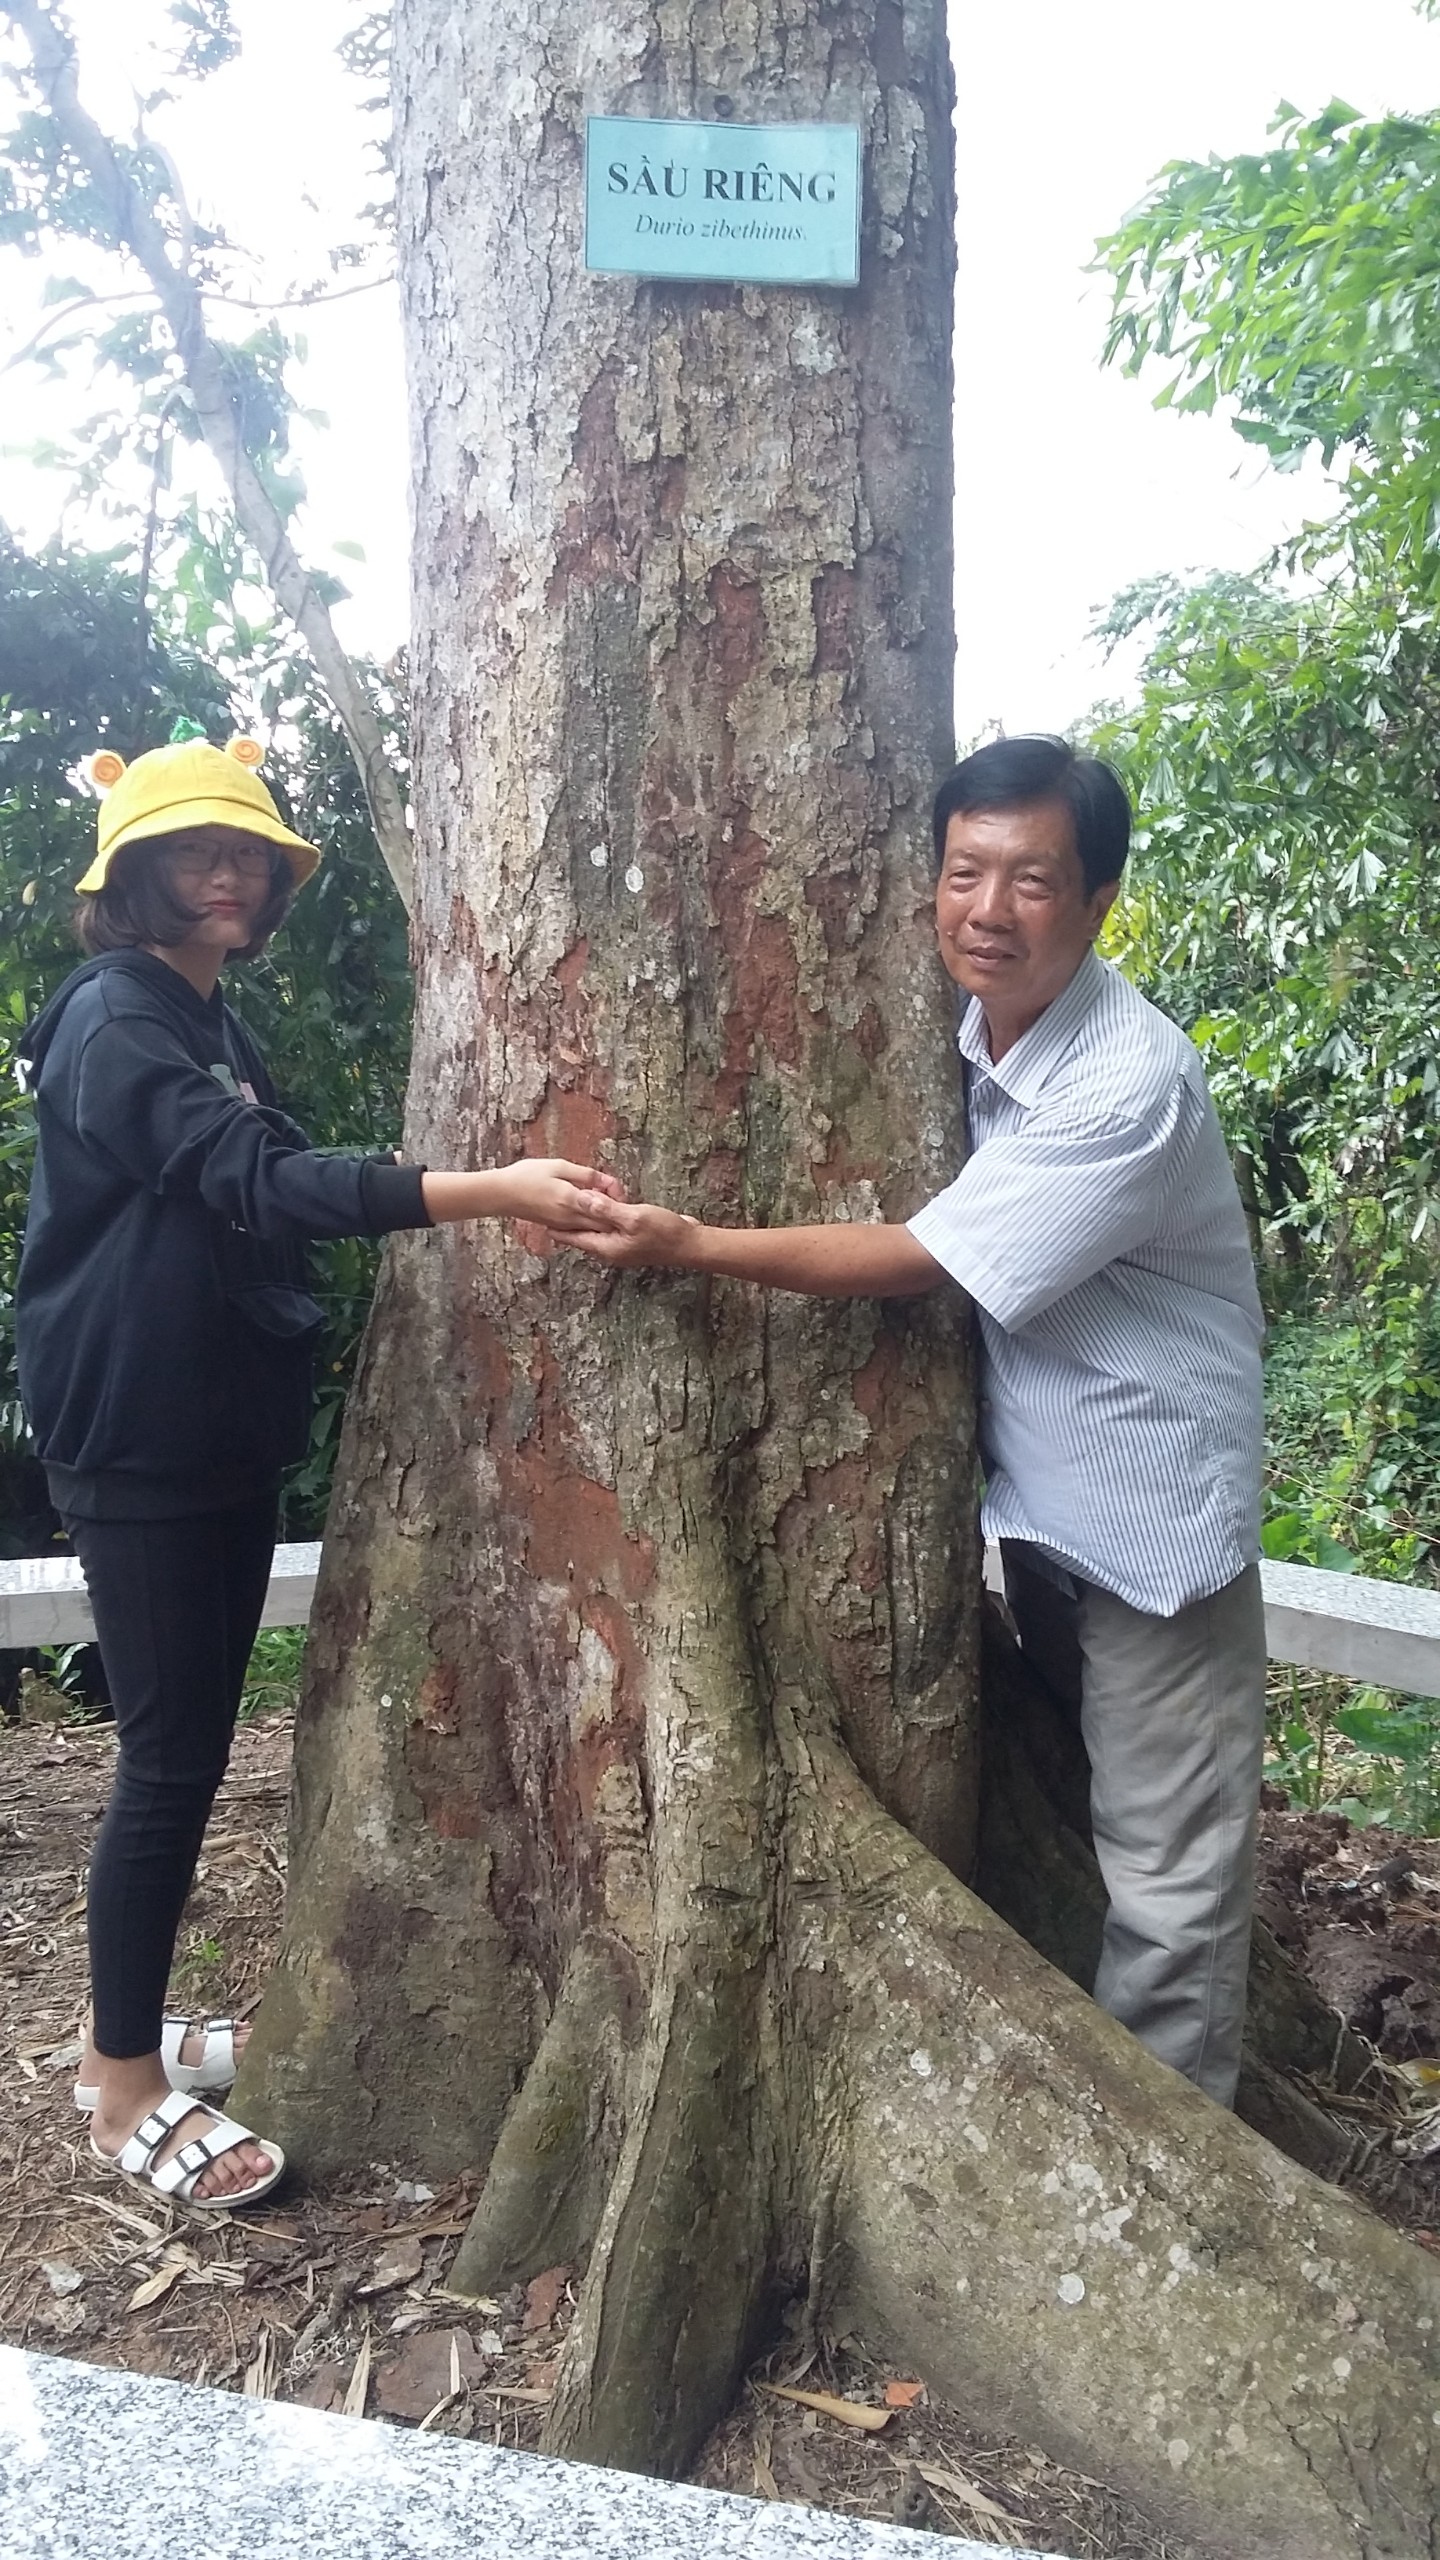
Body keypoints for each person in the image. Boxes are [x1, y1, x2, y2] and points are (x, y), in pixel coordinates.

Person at [562, 734, 1267, 2109]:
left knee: (1170, 1877)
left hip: (1150, 1529)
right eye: (963, 874)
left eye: (1032, 883)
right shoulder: (965, 1027)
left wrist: (688, 1244)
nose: (987, 913)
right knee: (1081, 1812)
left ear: (1100, 898)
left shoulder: (1124, 1084)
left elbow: (923, 1258)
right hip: (1045, 1518)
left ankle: (1177, 2168)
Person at [17, 732, 621, 2209]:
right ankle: (118, 2082)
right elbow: (258, 1181)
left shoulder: (207, 1020)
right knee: (165, 1762)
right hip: (141, 1441)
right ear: (134, 873)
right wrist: (491, 1191)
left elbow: (254, 1184)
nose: (223, 873)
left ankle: (137, 2031)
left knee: (197, 1744)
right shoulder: (114, 1019)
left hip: (216, 1432)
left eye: (247, 854)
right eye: (191, 852)